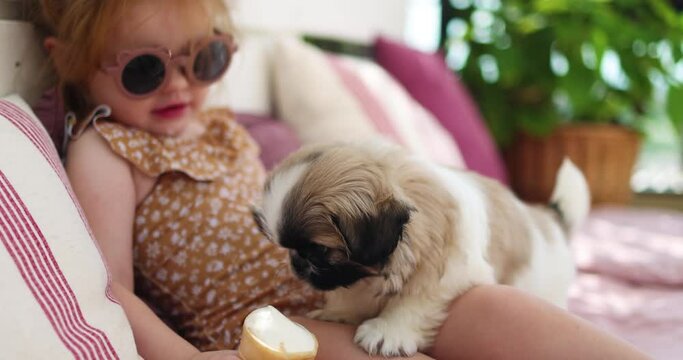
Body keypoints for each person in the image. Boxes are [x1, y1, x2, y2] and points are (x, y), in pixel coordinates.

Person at [34, 1, 650, 359]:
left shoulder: (221, 127)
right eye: (144, 70)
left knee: (493, 308)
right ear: (70, 60)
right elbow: (108, 286)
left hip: (355, 292)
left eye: (206, 60)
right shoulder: (108, 150)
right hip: (271, 328)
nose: (179, 85)